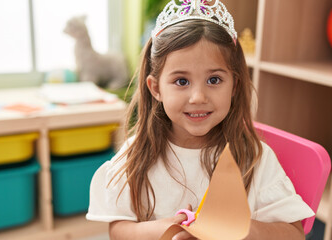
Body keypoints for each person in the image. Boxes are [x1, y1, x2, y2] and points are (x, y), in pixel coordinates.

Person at [86, 0, 314, 239]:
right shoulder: (137, 153)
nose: (198, 97)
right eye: (182, 81)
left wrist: (241, 229)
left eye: (214, 80)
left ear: (234, 86)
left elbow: (294, 234)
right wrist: (170, 227)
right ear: (156, 89)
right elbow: (119, 231)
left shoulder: (254, 158)